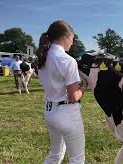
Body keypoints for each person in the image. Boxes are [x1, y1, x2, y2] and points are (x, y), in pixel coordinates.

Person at [36, 20, 88, 163]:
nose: (72, 42)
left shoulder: (43, 58)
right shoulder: (68, 60)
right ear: (65, 36)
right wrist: (84, 87)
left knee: (55, 154)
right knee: (77, 159)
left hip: (49, 111)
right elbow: (73, 97)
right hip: (67, 113)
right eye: (72, 38)